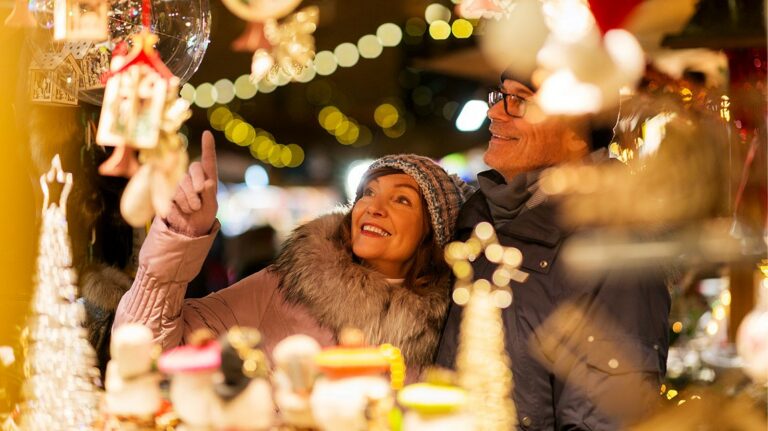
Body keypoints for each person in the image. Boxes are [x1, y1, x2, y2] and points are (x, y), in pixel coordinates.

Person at [113, 131, 468, 377]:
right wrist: (180, 236)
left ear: (432, 233)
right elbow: (146, 349)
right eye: (368, 192)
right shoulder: (285, 288)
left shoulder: (446, 330)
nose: (373, 207)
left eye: (401, 199)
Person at [435, 70, 671, 430]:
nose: (495, 113)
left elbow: (606, 420)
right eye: (501, 96)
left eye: (520, 101)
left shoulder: (614, 244)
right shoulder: (476, 220)